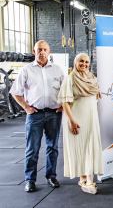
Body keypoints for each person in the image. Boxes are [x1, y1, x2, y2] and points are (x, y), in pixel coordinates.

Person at [10, 40, 65, 193]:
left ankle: (51, 176)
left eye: (44, 49)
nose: (42, 52)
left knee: (52, 148)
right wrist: (26, 107)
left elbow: (66, 90)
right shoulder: (26, 70)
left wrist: (63, 105)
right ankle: (30, 180)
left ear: (49, 51)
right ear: (34, 51)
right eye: (39, 49)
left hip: (54, 114)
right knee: (32, 149)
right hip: (35, 115)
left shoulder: (58, 70)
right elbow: (15, 92)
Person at [58, 53, 103, 194]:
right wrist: (72, 121)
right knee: (80, 148)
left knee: (90, 146)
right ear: (75, 62)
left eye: (86, 62)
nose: (84, 64)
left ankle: (86, 177)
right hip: (76, 119)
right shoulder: (70, 79)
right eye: (81, 61)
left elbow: (94, 96)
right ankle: (86, 179)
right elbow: (65, 102)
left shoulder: (92, 78)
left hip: (91, 118)